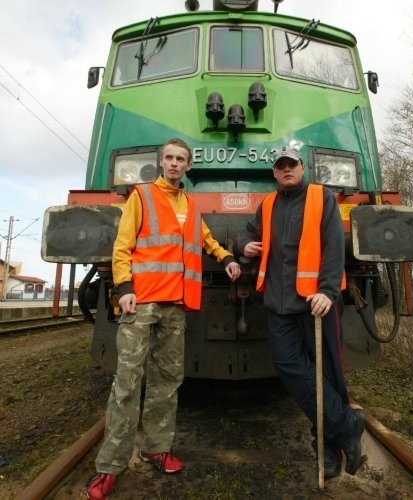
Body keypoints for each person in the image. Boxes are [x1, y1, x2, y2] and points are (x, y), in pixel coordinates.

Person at [86, 138, 241, 499]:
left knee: (167, 382)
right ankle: (109, 467)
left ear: (188, 166)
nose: (174, 164)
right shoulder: (141, 197)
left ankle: (155, 448)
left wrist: (226, 258)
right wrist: (124, 287)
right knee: (127, 382)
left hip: (174, 304)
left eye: (180, 159)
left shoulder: (190, 203)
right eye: (169, 158)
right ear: (161, 162)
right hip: (141, 303)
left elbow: (204, 240)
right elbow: (122, 245)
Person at [236, 146, 365, 479]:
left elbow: (335, 246)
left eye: (291, 164)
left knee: (329, 374)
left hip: (315, 303)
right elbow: (247, 234)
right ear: (275, 173)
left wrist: (327, 290)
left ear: (301, 167)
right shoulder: (267, 205)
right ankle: (345, 425)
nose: (286, 170)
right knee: (291, 367)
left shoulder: (322, 198)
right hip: (278, 306)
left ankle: (329, 449)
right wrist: (243, 246)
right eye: (280, 166)